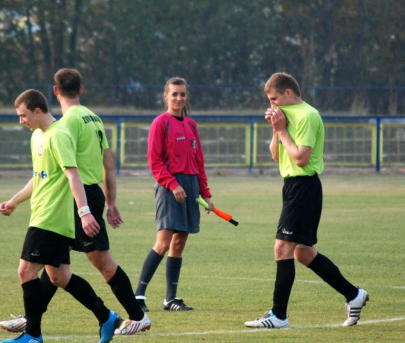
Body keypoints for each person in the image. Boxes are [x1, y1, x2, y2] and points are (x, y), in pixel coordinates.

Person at [0, 70, 150, 337]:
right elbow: (109, 163)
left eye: (24, 116)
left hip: (74, 197)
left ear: (55, 92)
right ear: (81, 89)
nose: (24, 121)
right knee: (54, 268)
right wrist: (110, 200)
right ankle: (33, 320)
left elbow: (66, 170)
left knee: (99, 261)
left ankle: (136, 316)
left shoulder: (64, 124)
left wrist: (84, 211)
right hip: (90, 193)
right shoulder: (94, 117)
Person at [245, 72, 369, 329]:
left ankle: (278, 316)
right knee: (303, 254)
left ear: (288, 92)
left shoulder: (309, 115)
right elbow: (277, 156)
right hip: (291, 187)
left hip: (305, 187)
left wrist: (283, 130)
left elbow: (300, 158)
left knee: (282, 249)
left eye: (274, 98)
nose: (272, 105)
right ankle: (354, 295)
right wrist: (276, 131)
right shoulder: (285, 115)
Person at [133, 77, 215, 312]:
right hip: (170, 187)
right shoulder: (160, 123)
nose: (179, 98)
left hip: (190, 187)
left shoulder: (191, 125)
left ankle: (171, 298)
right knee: (163, 243)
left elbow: (199, 162)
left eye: (182, 94)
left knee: (178, 244)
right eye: (174, 94)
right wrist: (171, 184)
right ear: (166, 96)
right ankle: (138, 296)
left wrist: (206, 194)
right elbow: (154, 161)